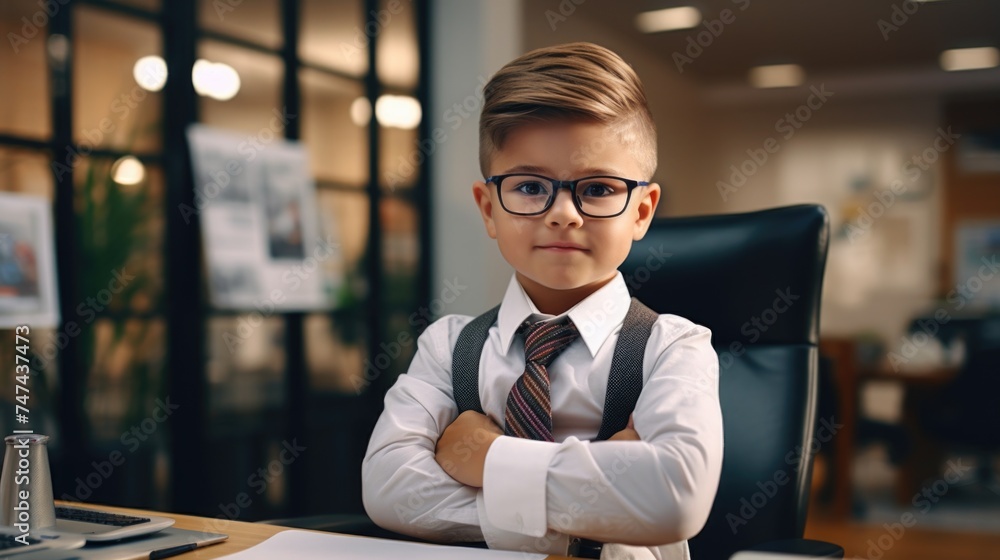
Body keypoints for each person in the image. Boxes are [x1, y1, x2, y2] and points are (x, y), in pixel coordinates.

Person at [362, 42, 723, 560]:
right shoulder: (448, 345)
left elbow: (674, 498)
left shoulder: (675, 347)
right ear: (488, 209)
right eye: (530, 186)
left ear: (641, 212)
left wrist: (488, 458)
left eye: (597, 189)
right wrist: (600, 512)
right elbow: (388, 486)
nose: (563, 214)